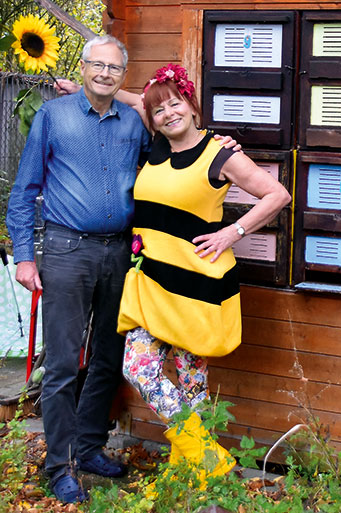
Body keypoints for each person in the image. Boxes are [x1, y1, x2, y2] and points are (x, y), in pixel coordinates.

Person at [7, 37, 240, 504]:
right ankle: (59, 466)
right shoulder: (54, 117)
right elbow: (24, 186)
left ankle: (90, 448)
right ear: (84, 66)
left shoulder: (134, 123)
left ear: (122, 74)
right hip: (66, 250)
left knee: (109, 359)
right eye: (96, 65)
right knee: (62, 365)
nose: (105, 74)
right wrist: (25, 256)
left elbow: (174, 134)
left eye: (114, 68)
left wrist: (222, 142)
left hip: (121, 255)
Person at [114, 63, 290, 486]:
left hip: (197, 283)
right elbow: (138, 100)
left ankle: (190, 474)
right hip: (151, 282)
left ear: (193, 108)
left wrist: (233, 231)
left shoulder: (222, 154)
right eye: (159, 111)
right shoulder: (156, 147)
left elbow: (277, 194)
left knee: (192, 384)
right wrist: (88, 86)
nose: (167, 114)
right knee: (138, 368)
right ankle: (209, 457)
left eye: (176, 104)